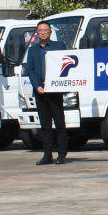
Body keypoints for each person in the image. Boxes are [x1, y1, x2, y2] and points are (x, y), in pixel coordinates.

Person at [25, 21, 69, 165]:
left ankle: (61, 154)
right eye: (40, 30)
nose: (43, 32)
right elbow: (30, 70)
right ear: (37, 33)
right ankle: (47, 154)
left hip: (54, 90)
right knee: (45, 125)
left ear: (50, 32)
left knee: (59, 123)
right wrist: (37, 86)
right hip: (40, 90)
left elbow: (67, 62)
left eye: (45, 30)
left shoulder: (59, 46)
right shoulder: (32, 50)